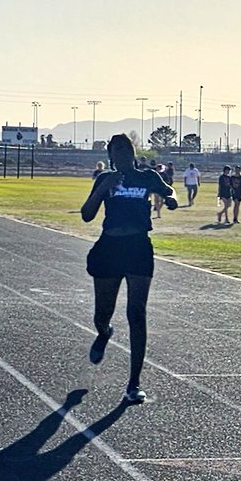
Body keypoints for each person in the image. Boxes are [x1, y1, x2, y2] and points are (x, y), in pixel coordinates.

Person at [80, 133, 177, 404]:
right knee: (103, 313)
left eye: (126, 149)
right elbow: (87, 214)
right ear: (111, 156)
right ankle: (104, 331)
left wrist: (170, 200)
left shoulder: (147, 178)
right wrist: (102, 189)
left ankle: (134, 383)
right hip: (110, 247)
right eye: (116, 150)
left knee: (136, 312)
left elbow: (170, 191)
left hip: (138, 248)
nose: (121, 154)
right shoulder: (105, 179)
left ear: (132, 153)